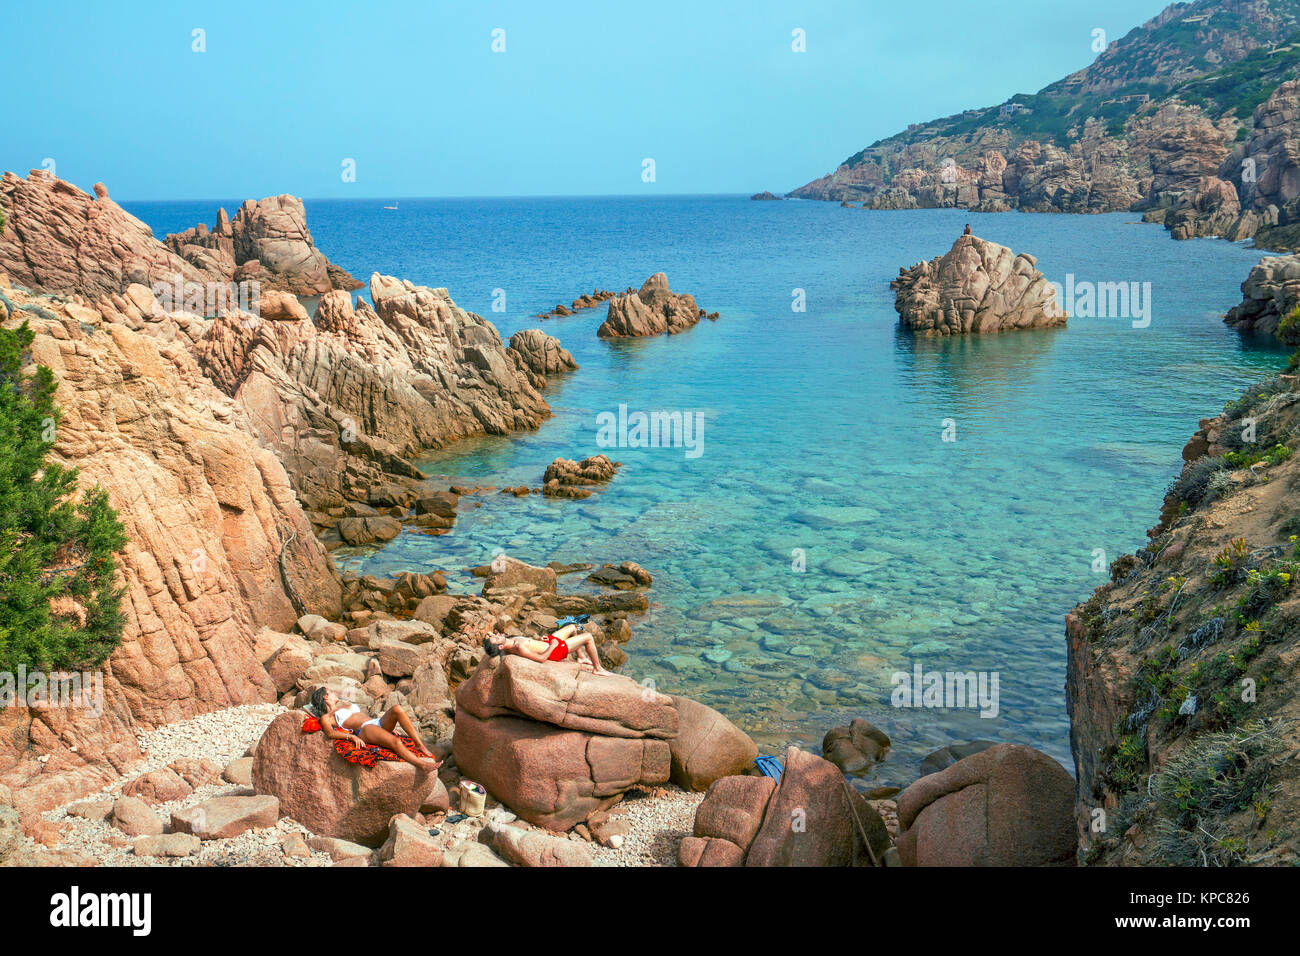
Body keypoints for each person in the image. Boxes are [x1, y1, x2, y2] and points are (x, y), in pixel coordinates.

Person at [309, 687, 440, 772]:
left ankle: (419, 744)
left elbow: (363, 716)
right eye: (331, 691)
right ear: (325, 697)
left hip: (375, 722)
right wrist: (352, 737)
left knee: (396, 709)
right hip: (365, 730)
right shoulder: (327, 717)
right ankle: (422, 765)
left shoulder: (344, 706)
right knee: (396, 742)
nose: (334, 692)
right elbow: (331, 733)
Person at [483, 621, 611, 675]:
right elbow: (541, 658)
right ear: (500, 646)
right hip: (555, 650)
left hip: (548, 642)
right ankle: (597, 668)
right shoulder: (518, 647)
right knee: (588, 637)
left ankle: (582, 657)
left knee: (572, 627)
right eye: (496, 637)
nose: (497, 634)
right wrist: (552, 646)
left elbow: (531, 644)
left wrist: (539, 640)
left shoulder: (509, 642)